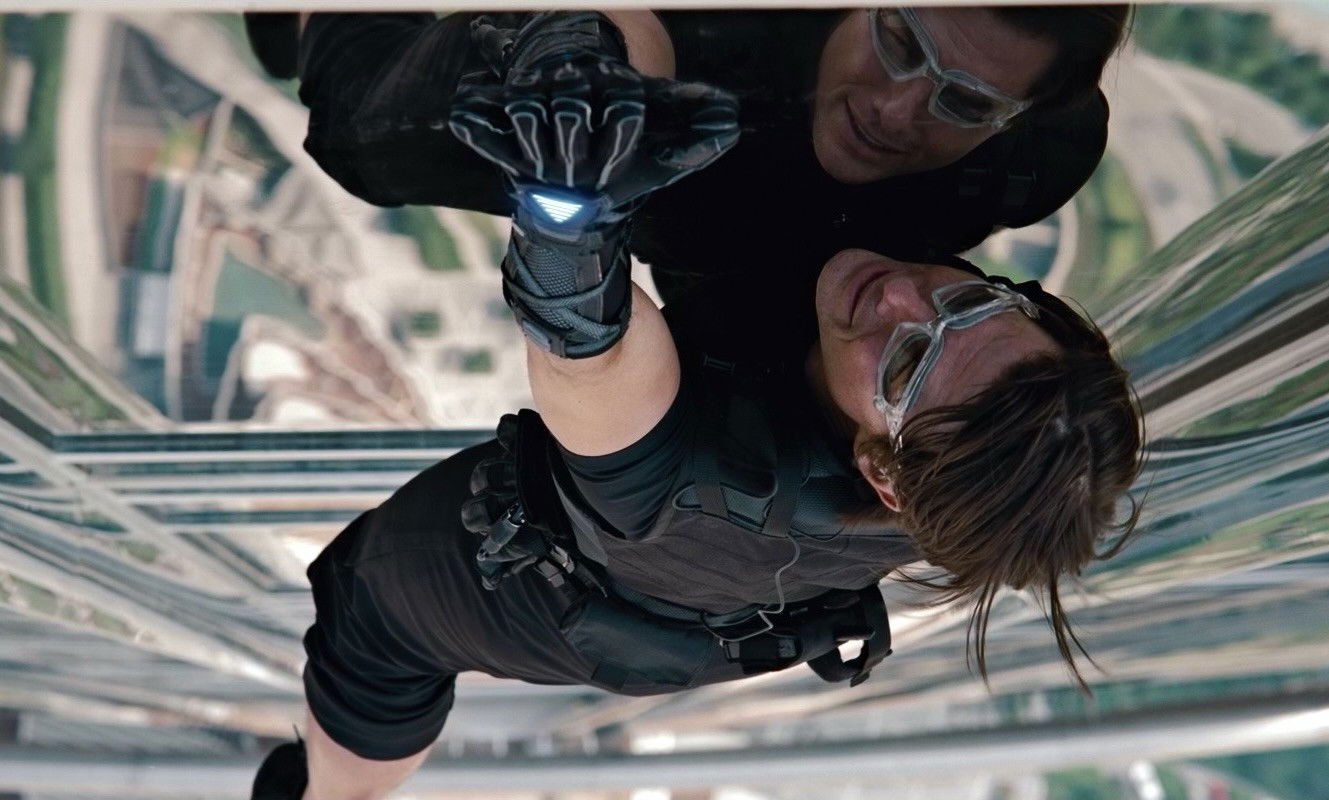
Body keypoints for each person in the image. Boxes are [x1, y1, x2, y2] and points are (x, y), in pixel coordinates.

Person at [249, 17, 1144, 799]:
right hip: (766, 370)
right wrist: (606, 67)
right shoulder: (961, 438)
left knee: (374, 624)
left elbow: (590, 352)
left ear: (880, 471)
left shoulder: (697, 486)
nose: (904, 296)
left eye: (907, 363)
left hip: (582, 593)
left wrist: (572, 210)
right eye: (971, 304)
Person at [254, 5, 1128, 305]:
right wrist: (597, 74)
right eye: (898, 40)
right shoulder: (743, 25)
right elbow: (642, 23)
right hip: (665, 116)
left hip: (752, 252)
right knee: (364, 134)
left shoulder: (1042, 154)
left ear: (1018, 117)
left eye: (965, 102)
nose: (896, 110)